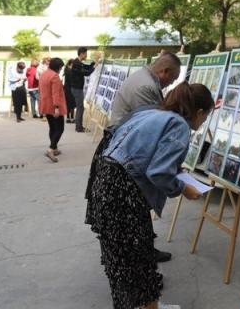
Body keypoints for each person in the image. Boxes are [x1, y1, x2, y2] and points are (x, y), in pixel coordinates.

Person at [85, 82, 212, 309]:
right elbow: (159, 172)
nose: (202, 123)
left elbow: (142, 153)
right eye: (205, 117)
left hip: (105, 184)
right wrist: (183, 188)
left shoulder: (151, 112)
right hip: (124, 194)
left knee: (123, 257)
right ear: (200, 112)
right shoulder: (179, 125)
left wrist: (175, 170)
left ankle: (148, 305)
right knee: (139, 257)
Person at [109, 53, 181, 127]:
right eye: (173, 78)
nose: (172, 83)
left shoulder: (143, 76)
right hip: (123, 132)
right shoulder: (146, 87)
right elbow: (150, 124)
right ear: (165, 71)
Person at [39, 58, 68, 163]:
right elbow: (55, 93)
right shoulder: (54, 76)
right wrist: (56, 107)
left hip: (45, 104)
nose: (61, 70)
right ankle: (51, 149)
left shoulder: (44, 74)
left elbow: (40, 90)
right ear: (58, 67)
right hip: (54, 106)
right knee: (60, 128)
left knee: (52, 127)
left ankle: (54, 148)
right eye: (61, 67)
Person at [70, 47, 95, 132]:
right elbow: (87, 73)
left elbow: (87, 67)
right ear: (82, 54)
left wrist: (94, 63)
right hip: (77, 89)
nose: (86, 55)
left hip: (77, 88)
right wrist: (95, 66)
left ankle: (79, 126)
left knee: (80, 107)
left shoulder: (78, 62)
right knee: (80, 107)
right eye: (86, 54)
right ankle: (79, 127)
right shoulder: (76, 63)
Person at [63, 59, 76, 124]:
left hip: (66, 89)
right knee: (72, 104)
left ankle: (68, 118)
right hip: (71, 89)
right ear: (71, 64)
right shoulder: (70, 71)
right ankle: (72, 118)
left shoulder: (66, 70)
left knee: (68, 104)